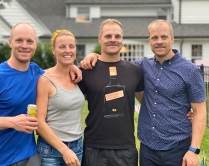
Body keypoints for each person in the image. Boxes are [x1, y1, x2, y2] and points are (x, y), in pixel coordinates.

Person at [80, 19, 207, 166]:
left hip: (178, 147)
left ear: (172, 39)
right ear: (149, 41)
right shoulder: (140, 66)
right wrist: (94, 56)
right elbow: (113, 61)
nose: (159, 41)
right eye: (155, 38)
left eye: (164, 37)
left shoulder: (190, 70)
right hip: (148, 148)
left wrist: (193, 150)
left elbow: (200, 111)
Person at [0, 23, 81, 166]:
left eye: (29, 41)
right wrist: (12, 122)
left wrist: (71, 66)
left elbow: (56, 73)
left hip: (30, 157)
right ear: (10, 42)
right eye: (19, 40)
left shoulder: (35, 71)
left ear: (35, 45)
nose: (24, 45)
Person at [78, 19, 144, 166]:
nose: (113, 40)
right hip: (93, 147)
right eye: (108, 36)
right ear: (99, 38)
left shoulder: (135, 71)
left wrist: (183, 111)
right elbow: (71, 103)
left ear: (122, 39)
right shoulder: (86, 71)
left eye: (117, 36)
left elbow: (148, 103)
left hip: (125, 148)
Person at [36, 30, 85, 166]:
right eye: (62, 47)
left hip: (77, 146)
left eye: (71, 46)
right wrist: (64, 150)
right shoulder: (45, 80)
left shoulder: (76, 76)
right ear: (54, 50)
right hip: (51, 150)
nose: (67, 50)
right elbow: (39, 122)